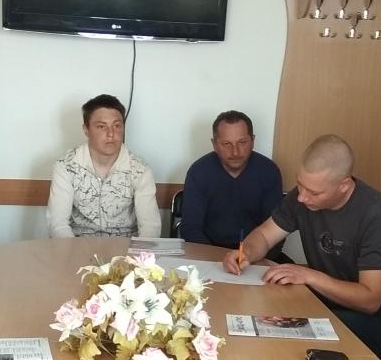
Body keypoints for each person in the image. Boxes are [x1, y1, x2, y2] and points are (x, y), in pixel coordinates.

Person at [222, 135, 381, 360]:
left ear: (344, 185)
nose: (302, 197)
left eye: (314, 192)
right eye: (300, 184)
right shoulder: (303, 197)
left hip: (371, 321)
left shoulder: (378, 217)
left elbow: (370, 300)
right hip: (320, 300)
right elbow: (264, 236)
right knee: (256, 315)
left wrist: (309, 276)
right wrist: (246, 252)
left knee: (280, 338)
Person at [47, 94, 160, 238]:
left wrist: (136, 253)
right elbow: (58, 224)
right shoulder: (66, 167)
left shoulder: (140, 170)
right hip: (78, 246)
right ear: (86, 130)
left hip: (125, 248)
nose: (111, 134)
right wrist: (73, 251)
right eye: (101, 126)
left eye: (117, 126)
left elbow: (150, 227)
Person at [179, 110, 282, 247]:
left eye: (242, 142)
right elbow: (190, 229)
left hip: (256, 252)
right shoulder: (198, 172)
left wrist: (251, 255)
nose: (235, 152)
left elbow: (277, 228)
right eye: (227, 144)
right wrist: (214, 257)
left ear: (253, 141)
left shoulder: (269, 171)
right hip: (209, 251)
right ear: (214, 144)